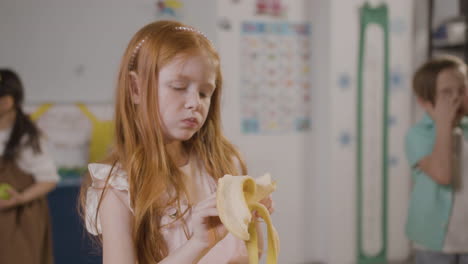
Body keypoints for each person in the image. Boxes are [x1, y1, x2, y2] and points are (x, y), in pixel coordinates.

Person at [80, 20, 274, 264]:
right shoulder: (118, 187)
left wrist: (252, 221)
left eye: (205, 93)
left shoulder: (224, 165)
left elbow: (250, 255)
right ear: (135, 88)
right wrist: (200, 243)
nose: (195, 103)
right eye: (179, 87)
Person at [405, 55, 468, 263]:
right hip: (435, 242)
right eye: (447, 92)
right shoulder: (419, 135)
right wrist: (444, 126)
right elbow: (442, 175)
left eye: (463, 89)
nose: (457, 98)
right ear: (425, 102)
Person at [0, 69, 59, 264]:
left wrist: (20, 198)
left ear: (7, 102)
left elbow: (49, 179)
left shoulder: (26, 137)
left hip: (18, 219)